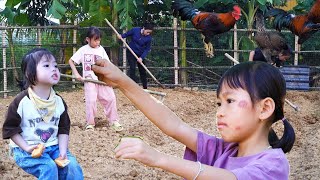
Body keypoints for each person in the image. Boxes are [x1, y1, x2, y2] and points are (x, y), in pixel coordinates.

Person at [91, 60, 296, 179]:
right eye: (219, 104)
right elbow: (174, 125)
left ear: (265, 108)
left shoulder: (273, 164)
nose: (220, 112)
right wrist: (123, 82)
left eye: (230, 101)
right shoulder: (223, 150)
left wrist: (159, 158)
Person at [2, 48, 83, 179]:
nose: (54, 69)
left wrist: (63, 152)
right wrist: (27, 147)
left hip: (54, 146)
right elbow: (10, 129)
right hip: (24, 149)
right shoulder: (21, 102)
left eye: (55, 65)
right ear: (30, 73)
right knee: (49, 167)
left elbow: (63, 129)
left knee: (71, 166)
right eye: (46, 65)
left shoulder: (58, 101)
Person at [69, 26, 123, 132]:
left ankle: (114, 121)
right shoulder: (83, 50)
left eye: (99, 39)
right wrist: (76, 74)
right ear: (87, 39)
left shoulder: (101, 50)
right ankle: (90, 123)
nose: (97, 42)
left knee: (111, 98)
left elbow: (107, 64)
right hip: (89, 80)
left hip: (102, 79)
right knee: (91, 101)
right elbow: (71, 61)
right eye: (95, 40)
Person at [118, 23, 154, 89]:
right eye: (147, 32)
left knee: (142, 70)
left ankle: (145, 88)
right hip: (131, 52)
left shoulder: (148, 38)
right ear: (143, 28)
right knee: (132, 69)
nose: (148, 34)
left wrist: (141, 58)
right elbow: (126, 34)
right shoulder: (135, 30)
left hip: (140, 55)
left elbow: (147, 49)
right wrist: (121, 36)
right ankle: (132, 87)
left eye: (149, 33)